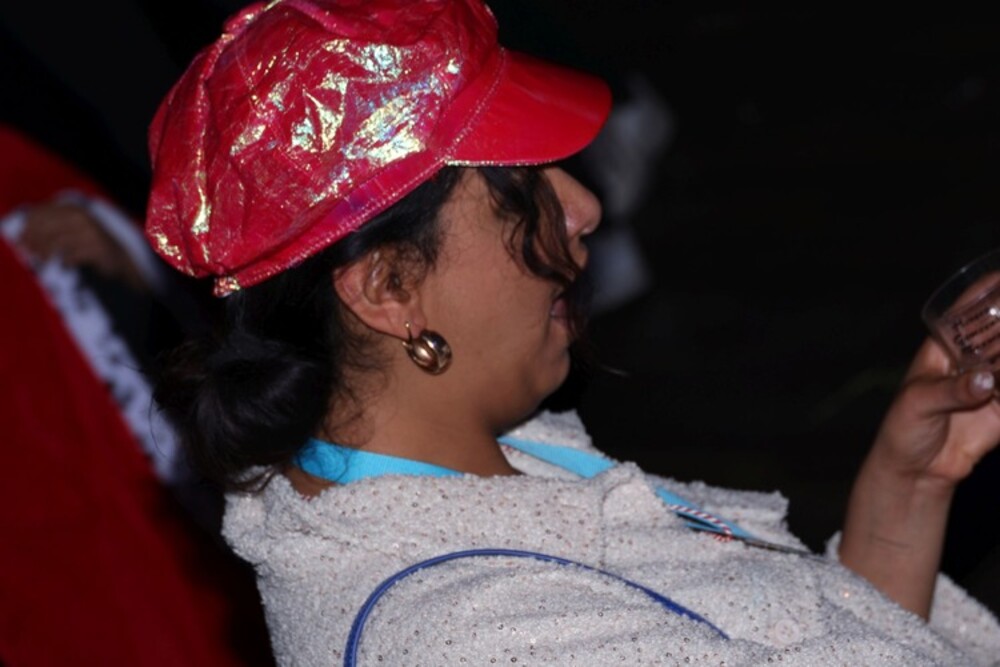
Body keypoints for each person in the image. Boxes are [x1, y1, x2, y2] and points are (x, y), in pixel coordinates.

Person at [147, 0, 1000, 664]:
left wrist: (909, 484)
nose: (584, 205)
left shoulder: (484, 460)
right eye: (520, 187)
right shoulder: (474, 639)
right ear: (390, 288)